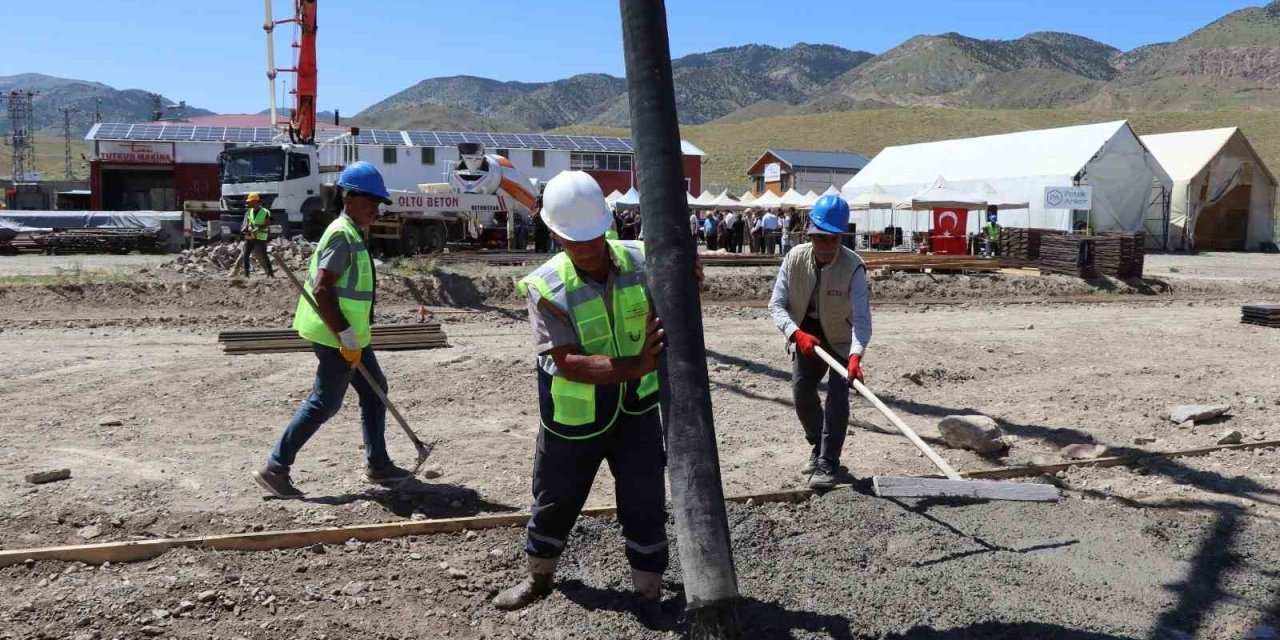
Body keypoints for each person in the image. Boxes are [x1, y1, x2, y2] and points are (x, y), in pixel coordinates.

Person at [496, 170, 696, 615]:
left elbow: (685, 278)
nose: (586, 248)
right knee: (555, 499)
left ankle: (648, 593)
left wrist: (688, 270)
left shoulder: (643, 260)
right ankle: (538, 578)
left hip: (636, 411)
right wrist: (640, 365)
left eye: (593, 237)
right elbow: (567, 363)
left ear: (608, 224)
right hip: (574, 419)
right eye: (575, 240)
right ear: (553, 233)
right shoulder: (546, 286)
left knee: (644, 502)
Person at [253, 162, 413, 499]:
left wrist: (352, 335)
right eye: (371, 201)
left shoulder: (351, 231)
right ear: (350, 197)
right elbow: (322, 291)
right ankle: (275, 468)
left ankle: (378, 463)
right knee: (324, 402)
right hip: (335, 335)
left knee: (374, 390)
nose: (376, 209)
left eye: (379, 202)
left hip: (350, 335)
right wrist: (345, 335)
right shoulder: (341, 234)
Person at [767, 195, 872, 489]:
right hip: (806, 334)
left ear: (840, 237)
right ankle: (817, 445)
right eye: (820, 238)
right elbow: (776, 305)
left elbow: (862, 320)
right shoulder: (794, 258)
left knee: (837, 401)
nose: (826, 246)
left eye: (832, 239)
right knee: (802, 394)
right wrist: (795, 333)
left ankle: (828, 462)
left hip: (840, 338)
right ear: (810, 234)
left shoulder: (854, 268)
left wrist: (855, 356)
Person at [241, 193, 275, 278]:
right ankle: (246, 274)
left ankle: (271, 274)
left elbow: (268, 224)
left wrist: (257, 229)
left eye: (250, 202)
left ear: (256, 202)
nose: (248, 204)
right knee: (246, 255)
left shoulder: (266, 212)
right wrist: (245, 229)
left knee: (264, 256)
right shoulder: (249, 211)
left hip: (260, 237)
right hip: (251, 237)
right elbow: (248, 222)